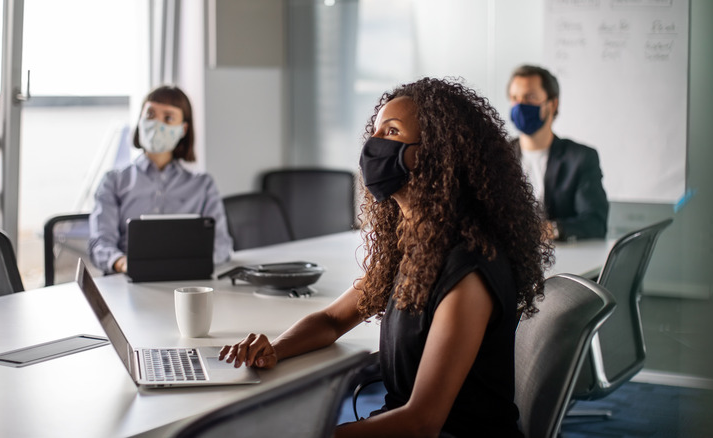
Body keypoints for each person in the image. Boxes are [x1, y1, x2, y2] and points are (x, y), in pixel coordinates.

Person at [219, 78, 553, 437]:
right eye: (375, 131)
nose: (374, 145)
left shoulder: (469, 269)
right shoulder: (414, 246)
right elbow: (333, 320)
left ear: (436, 154)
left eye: (391, 131)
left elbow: (423, 422)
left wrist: (312, 433)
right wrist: (276, 348)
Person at [88, 85, 233, 274]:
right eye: (150, 115)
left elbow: (221, 245)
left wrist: (183, 264)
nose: (157, 124)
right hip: (126, 281)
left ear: (183, 129)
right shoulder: (113, 181)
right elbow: (100, 243)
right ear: (140, 119)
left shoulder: (202, 185)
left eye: (168, 118)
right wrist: (123, 263)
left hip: (187, 282)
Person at [508, 64, 609, 241]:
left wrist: (548, 230)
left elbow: (595, 222)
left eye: (530, 97)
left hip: (560, 259)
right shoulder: (498, 155)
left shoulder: (580, 158)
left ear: (552, 104)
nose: (520, 106)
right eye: (515, 98)